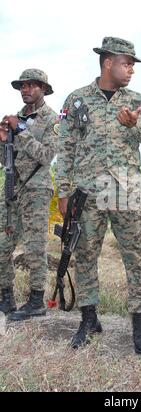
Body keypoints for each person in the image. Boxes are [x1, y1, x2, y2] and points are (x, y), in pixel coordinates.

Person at [56, 36, 141, 353]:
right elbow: (65, 149)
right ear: (108, 63)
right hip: (87, 194)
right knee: (85, 255)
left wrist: (134, 126)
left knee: (137, 257)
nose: (131, 70)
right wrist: (63, 192)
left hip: (128, 193)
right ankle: (88, 320)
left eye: (132, 64)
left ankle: (140, 325)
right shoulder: (77, 100)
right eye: (126, 63)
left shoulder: (138, 100)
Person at [0, 69, 58, 320]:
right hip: (12, 188)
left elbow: (46, 156)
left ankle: (36, 301)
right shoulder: (15, 118)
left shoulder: (52, 120)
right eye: (22, 86)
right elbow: (5, 161)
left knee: (35, 247)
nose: (25, 89)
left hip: (36, 189)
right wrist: (3, 140)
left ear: (43, 89)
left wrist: (20, 130)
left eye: (31, 85)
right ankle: (6, 298)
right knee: (2, 245)